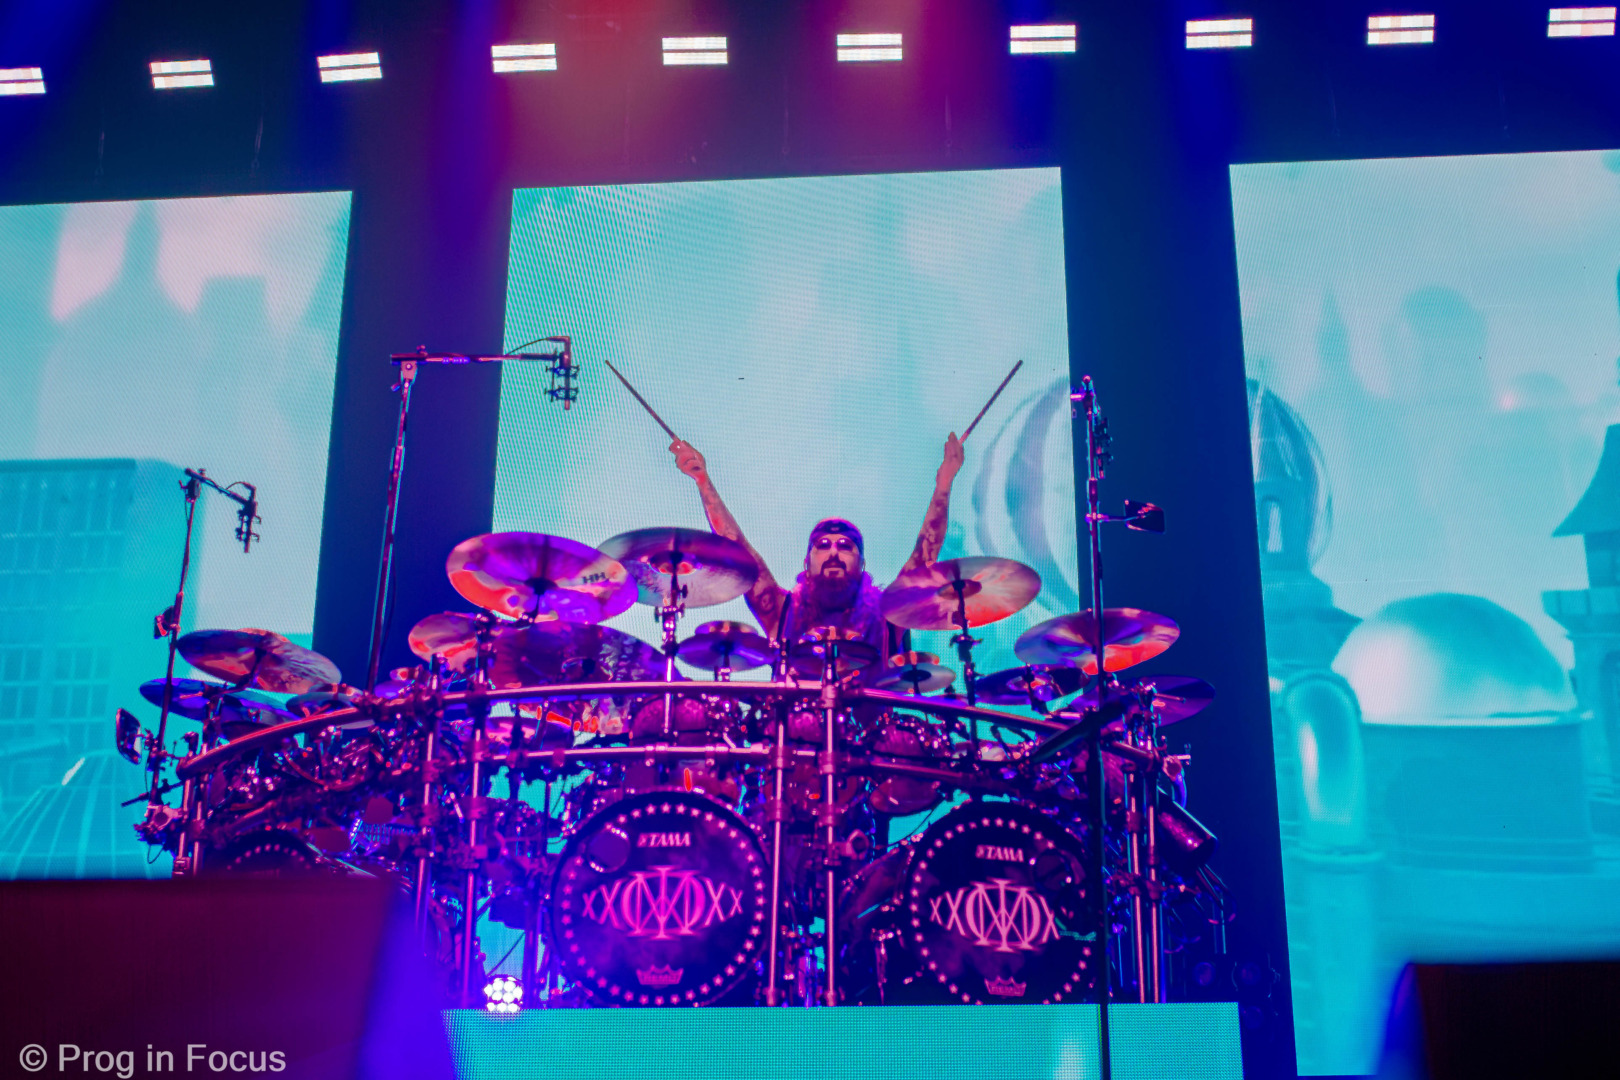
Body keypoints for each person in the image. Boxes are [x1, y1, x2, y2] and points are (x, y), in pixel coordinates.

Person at [669, 434, 965, 662]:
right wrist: (703, 481)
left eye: (846, 546)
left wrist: (944, 485)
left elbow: (925, 555)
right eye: (823, 545)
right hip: (793, 726)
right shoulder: (782, 610)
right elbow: (738, 549)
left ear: (862, 565)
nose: (834, 552)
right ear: (806, 563)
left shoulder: (888, 615)